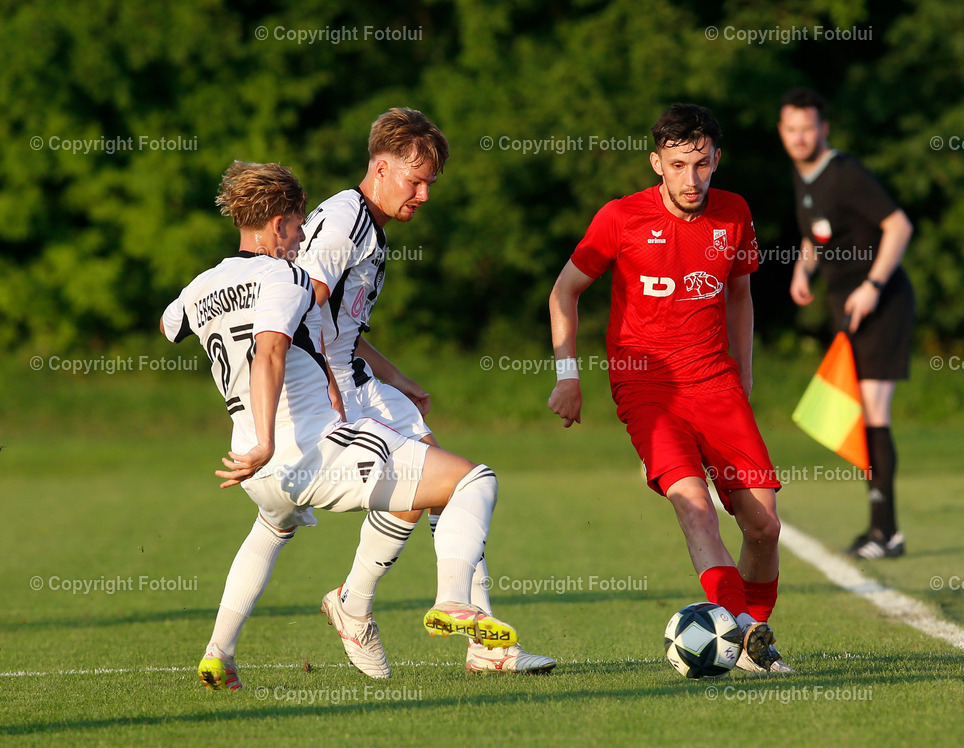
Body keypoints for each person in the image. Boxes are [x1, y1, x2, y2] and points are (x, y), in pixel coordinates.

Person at [162, 160, 520, 691]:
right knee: (470, 480)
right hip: (305, 449)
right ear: (281, 223)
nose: (303, 235)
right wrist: (268, 439)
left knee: (272, 528)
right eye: (299, 223)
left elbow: (172, 324)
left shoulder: (199, 287)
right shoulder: (285, 275)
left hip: (248, 466)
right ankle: (448, 599)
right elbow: (270, 352)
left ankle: (219, 653)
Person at [295, 108, 554, 676]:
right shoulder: (345, 223)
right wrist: (324, 390)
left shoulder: (362, 221)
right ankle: (358, 606)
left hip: (357, 379)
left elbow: (340, 325)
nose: (424, 195)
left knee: (446, 483)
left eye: (430, 183)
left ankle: (476, 642)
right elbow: (297, 311)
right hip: (335, 386)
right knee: (452, 481)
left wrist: (394, 376)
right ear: (381, 167)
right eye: (416, 181)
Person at [548, 104, 792, 674]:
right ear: (657, 162)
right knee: (696, 507)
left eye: (702, 165)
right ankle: (747, 637)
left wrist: (744, 373)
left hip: (715, 383)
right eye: (679, 165)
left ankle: (750, 626)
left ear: (716, 161)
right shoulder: (620, 218)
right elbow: (564, 292)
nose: (692, 179)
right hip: (645, 389)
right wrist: (568, 376)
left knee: (764, 524)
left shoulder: (734, 213)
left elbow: (739, 294)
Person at [778, 88, 914, 560]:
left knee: (873, 411)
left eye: (808, 128)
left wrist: (873, 285)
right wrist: (803, 268)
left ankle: (886, 532)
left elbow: (899, 226)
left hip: (881, 301)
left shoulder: (845, 171)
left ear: (824, 128)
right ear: (782, 132)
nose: (799, 137)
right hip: (845, 305)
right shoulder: (804, 175)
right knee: (858, 413)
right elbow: (815, 231)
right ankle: (881, 528)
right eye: (791, 129)